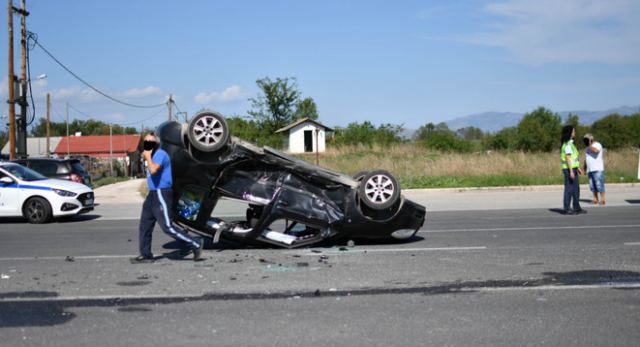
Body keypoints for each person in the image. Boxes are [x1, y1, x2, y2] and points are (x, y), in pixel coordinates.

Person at [132, 132, 203, 262]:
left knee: (167, 226)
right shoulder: (153, 155)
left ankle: (195, 243)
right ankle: (145, 254)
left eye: (150, 142)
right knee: (145, 225)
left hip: (161, 192)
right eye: (145, 142)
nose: (147, 144)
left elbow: (153, 170)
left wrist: (147, 156)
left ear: (156, 143)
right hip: (152, 194)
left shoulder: (160, 154)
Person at [560, 125, 587, 215]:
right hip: (568, 170)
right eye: (573, 131)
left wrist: (578, 168)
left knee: (576, 189)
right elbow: (568, 158)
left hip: (573, 168)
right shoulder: (567, 144)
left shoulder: (571, 144)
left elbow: (573, 159)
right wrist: (571, 171)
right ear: (570, 133)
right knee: (569, 189)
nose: (575, 133)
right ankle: (567, 208)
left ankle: (576, 208)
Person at [583, 133, 605, 205]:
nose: (586, 141)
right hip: (590, 169)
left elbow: (596, 151)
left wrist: (590, 145)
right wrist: (584, 168)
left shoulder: (597, 145)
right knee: (592, 185)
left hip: (597, 169)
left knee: (599, 185)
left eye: (587, 139)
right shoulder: (586, 148)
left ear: (591, 139)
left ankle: (602, 199)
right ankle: (595, 199)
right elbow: (586, 159)